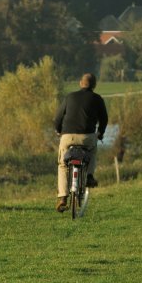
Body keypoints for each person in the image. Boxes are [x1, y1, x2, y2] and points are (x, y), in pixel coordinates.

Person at [53, 73, 108, 212]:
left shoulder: (70, 97)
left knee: (63, 165)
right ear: (94, 85)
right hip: (87, 137)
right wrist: (100, 133)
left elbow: (58, 118)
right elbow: (104, 119)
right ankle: (89, 175)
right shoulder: (97, 99)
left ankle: (63, 198)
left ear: (80, 83)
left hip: (68, 136)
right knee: (93, 151)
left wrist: (58, 130)